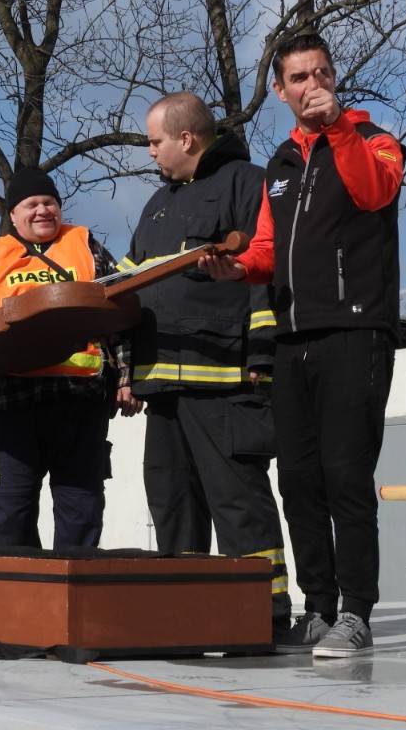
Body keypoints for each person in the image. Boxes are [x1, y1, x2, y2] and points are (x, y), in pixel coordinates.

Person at [202, 33, 404, 658]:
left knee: (347, 476)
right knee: (298, 479)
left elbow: (375, 192)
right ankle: (318, 608)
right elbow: (266, 250)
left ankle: (356, 612)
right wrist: (235, 269)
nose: (312, 85)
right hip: (293, 338)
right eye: (298, 77)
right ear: (280, 90)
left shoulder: (375, 140)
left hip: (356, 329)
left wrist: (339, 127)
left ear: (334, 77)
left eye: (321, 73)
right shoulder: (281, 164)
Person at [120, 92, 292, 642]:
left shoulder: (248, 183)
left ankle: (262, 615)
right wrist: (126, 369)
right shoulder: (156, 205)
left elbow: (267, 271)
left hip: (226, 382)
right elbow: (128, 287)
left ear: (186, 138)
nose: (150, 152)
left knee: (238, 503)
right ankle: (184, 614)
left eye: (155, 142)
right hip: (161, 385)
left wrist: (262, 357)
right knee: (171, 502)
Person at [0, 166, 139, 551]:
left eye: (49, 202)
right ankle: (21, 589)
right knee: (11, 512)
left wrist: (125, 378)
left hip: (80, 405)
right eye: (31, 204)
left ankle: (74, 586)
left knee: (81, 510)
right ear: (13, 214)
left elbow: (118, 314)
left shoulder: (88, 249)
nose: (42, 211)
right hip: (10, 406)